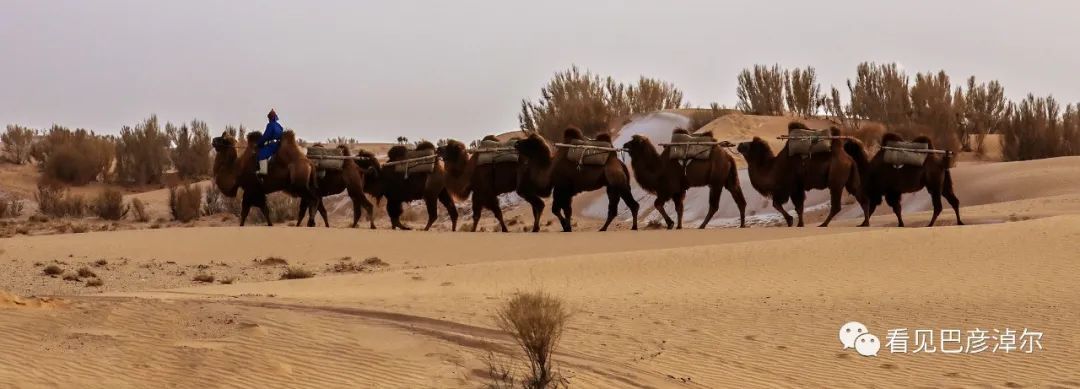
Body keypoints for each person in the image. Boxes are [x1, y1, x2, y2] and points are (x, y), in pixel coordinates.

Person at [257, 109, 283, 176]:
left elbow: (266, 136)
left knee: (261, 153)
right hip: (279, 145)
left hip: (272, 146)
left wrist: (259, 144)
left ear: (270, 118)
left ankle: (263, 172)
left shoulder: (270, 125)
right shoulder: (279, 126)